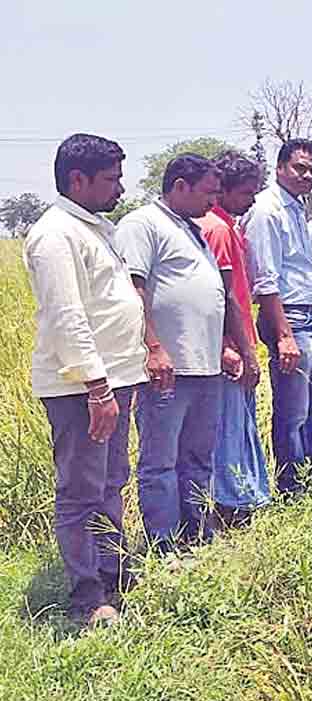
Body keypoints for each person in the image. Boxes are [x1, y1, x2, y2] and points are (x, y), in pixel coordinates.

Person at [23, 134, 146, 626]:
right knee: (81, 489)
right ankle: (88, 594)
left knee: (113, 480)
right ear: (79, 179)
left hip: (115, 381)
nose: (120, 188)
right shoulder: (55, 234)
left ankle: (112, 571)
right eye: (111, 179)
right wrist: (97, 388)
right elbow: (66, 317)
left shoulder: (97, 228)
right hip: (81, 389)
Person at [114, 155, 253, 551]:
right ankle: (164, 543)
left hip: (205, 366)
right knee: (160, 462)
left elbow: (213, 296)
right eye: (208, 192)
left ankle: (196, 534)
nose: (214, 201)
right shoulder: (143, 225)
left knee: (198, 457)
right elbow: (132, 290)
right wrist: (153, 347)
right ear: (179, 186)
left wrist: (226, 348)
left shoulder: (193, 230)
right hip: (168, 369)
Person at [244, 139, 312, 494]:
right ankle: (294, 488)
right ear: (280, 168)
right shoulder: (266, 210)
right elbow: (265, 280)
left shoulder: (296, 208)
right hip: (290, 319)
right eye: (299, 168)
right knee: (292, 411)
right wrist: (283, 335)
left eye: (311, 169)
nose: (306, 175)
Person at [195, 152, 268, 528]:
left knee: (233, 426)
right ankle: (232, 505)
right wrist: (234, 347)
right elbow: (224, 297)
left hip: (229, 342)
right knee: (231, 428)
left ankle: (234, 501)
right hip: (231, 347)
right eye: (244, 193)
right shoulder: (218, 230)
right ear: (220, 191)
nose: (252, 200)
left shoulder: (222, 226)